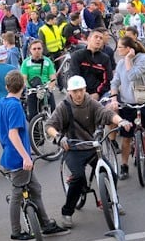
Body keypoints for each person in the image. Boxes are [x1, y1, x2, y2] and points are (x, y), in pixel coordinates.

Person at [0, 70, 69, 241]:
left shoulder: (2, 102)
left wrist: (1, 135)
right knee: (17, 195)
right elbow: (13, 134)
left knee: (35, 189)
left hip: (8, 155)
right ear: (23, 86)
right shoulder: (15, 106)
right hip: (18, 158)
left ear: (6, 86)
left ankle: (45, 223)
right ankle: (18, 231)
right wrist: (25, 156)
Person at [44, 75, 132, 227]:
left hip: (91, 146)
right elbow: (49, 126)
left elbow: (107, 114)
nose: (78, 94)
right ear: (70, 91)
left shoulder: (91, 102)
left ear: (85, 90)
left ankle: (112, 202)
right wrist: (59, 137)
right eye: (75, 91)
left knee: (110, 172)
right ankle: (67, 212)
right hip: (72, 147)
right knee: (78, 178)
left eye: (81, 90)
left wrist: (121, 121)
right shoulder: (64, 106)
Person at [109, 35, 145, 182]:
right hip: (127, 102)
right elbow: (115, 82)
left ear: (129, 49)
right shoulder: (121, 63)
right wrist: (114, 98)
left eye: (120, 48)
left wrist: (129, 59)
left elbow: (132, 76)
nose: (117, 50)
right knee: (126, 137)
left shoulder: (141, 59)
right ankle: (124, 166)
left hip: (142, 98)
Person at [69, 28, 114, 100]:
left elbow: (107, 80)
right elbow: (74, 76)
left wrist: (97, 93)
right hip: (79, 92)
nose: (98, 39)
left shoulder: (105, 59)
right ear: (89, 39)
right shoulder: (77, 56)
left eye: (101, 38)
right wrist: (82, 92)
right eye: (96, 37)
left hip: (99, 93)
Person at [19, 39, 58, 118]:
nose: (37, 51)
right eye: (34, 49)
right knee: (32, 115)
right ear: (30, 50)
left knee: (54, 113)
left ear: (42, 49)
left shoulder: (48, 61)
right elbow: (24, 78)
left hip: (45, 88)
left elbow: (53, 78)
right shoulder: (26, 63)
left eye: (39, 48)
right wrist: (28, 87)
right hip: (33, 89)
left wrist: (50, 87)